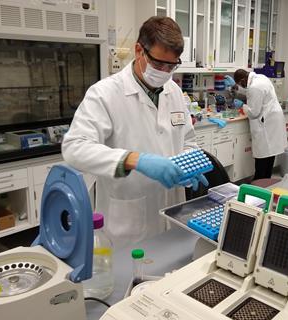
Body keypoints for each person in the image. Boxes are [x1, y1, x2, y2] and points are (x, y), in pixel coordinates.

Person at [62, 17, 208, 248]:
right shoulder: (104, 94)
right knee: (130, 279)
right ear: (139, 50)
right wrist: (134, 160)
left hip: (173, 210)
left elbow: (187, 139)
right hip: (128, 220)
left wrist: (189, 163)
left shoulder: (175, 92)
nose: (164, 72)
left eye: (171, 66)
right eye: (159, 64)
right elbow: (74, 148)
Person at [225, 70, 287, 180]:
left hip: (266, 122)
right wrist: (236, 86)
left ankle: (259, 184)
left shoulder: (255, 87)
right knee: (269, 156)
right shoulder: (260, 78)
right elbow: (250, 91)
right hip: (272, 118)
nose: (241, 86)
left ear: (244, 80)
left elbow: (254, 113)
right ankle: (266, 183)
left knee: (262, 158)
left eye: (240, 84)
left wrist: (242, 105)